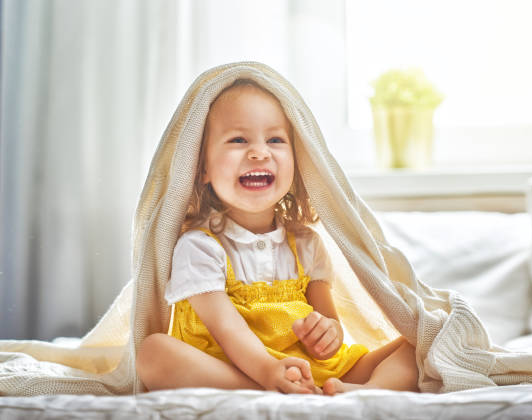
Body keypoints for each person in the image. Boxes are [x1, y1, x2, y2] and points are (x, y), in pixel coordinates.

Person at [135, 78, 419, 396]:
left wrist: (327, 335)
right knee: (153, 353)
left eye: (275, 140)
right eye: (238, 140)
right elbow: (227, 329)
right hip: (233, 367)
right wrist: (269, 371)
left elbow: (329, 321)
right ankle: (265, 389)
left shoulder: (306, 244)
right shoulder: (199, 248)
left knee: (419, 343)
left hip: (315, 371)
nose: (259, 152)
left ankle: (362, 393)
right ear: (202, 169)